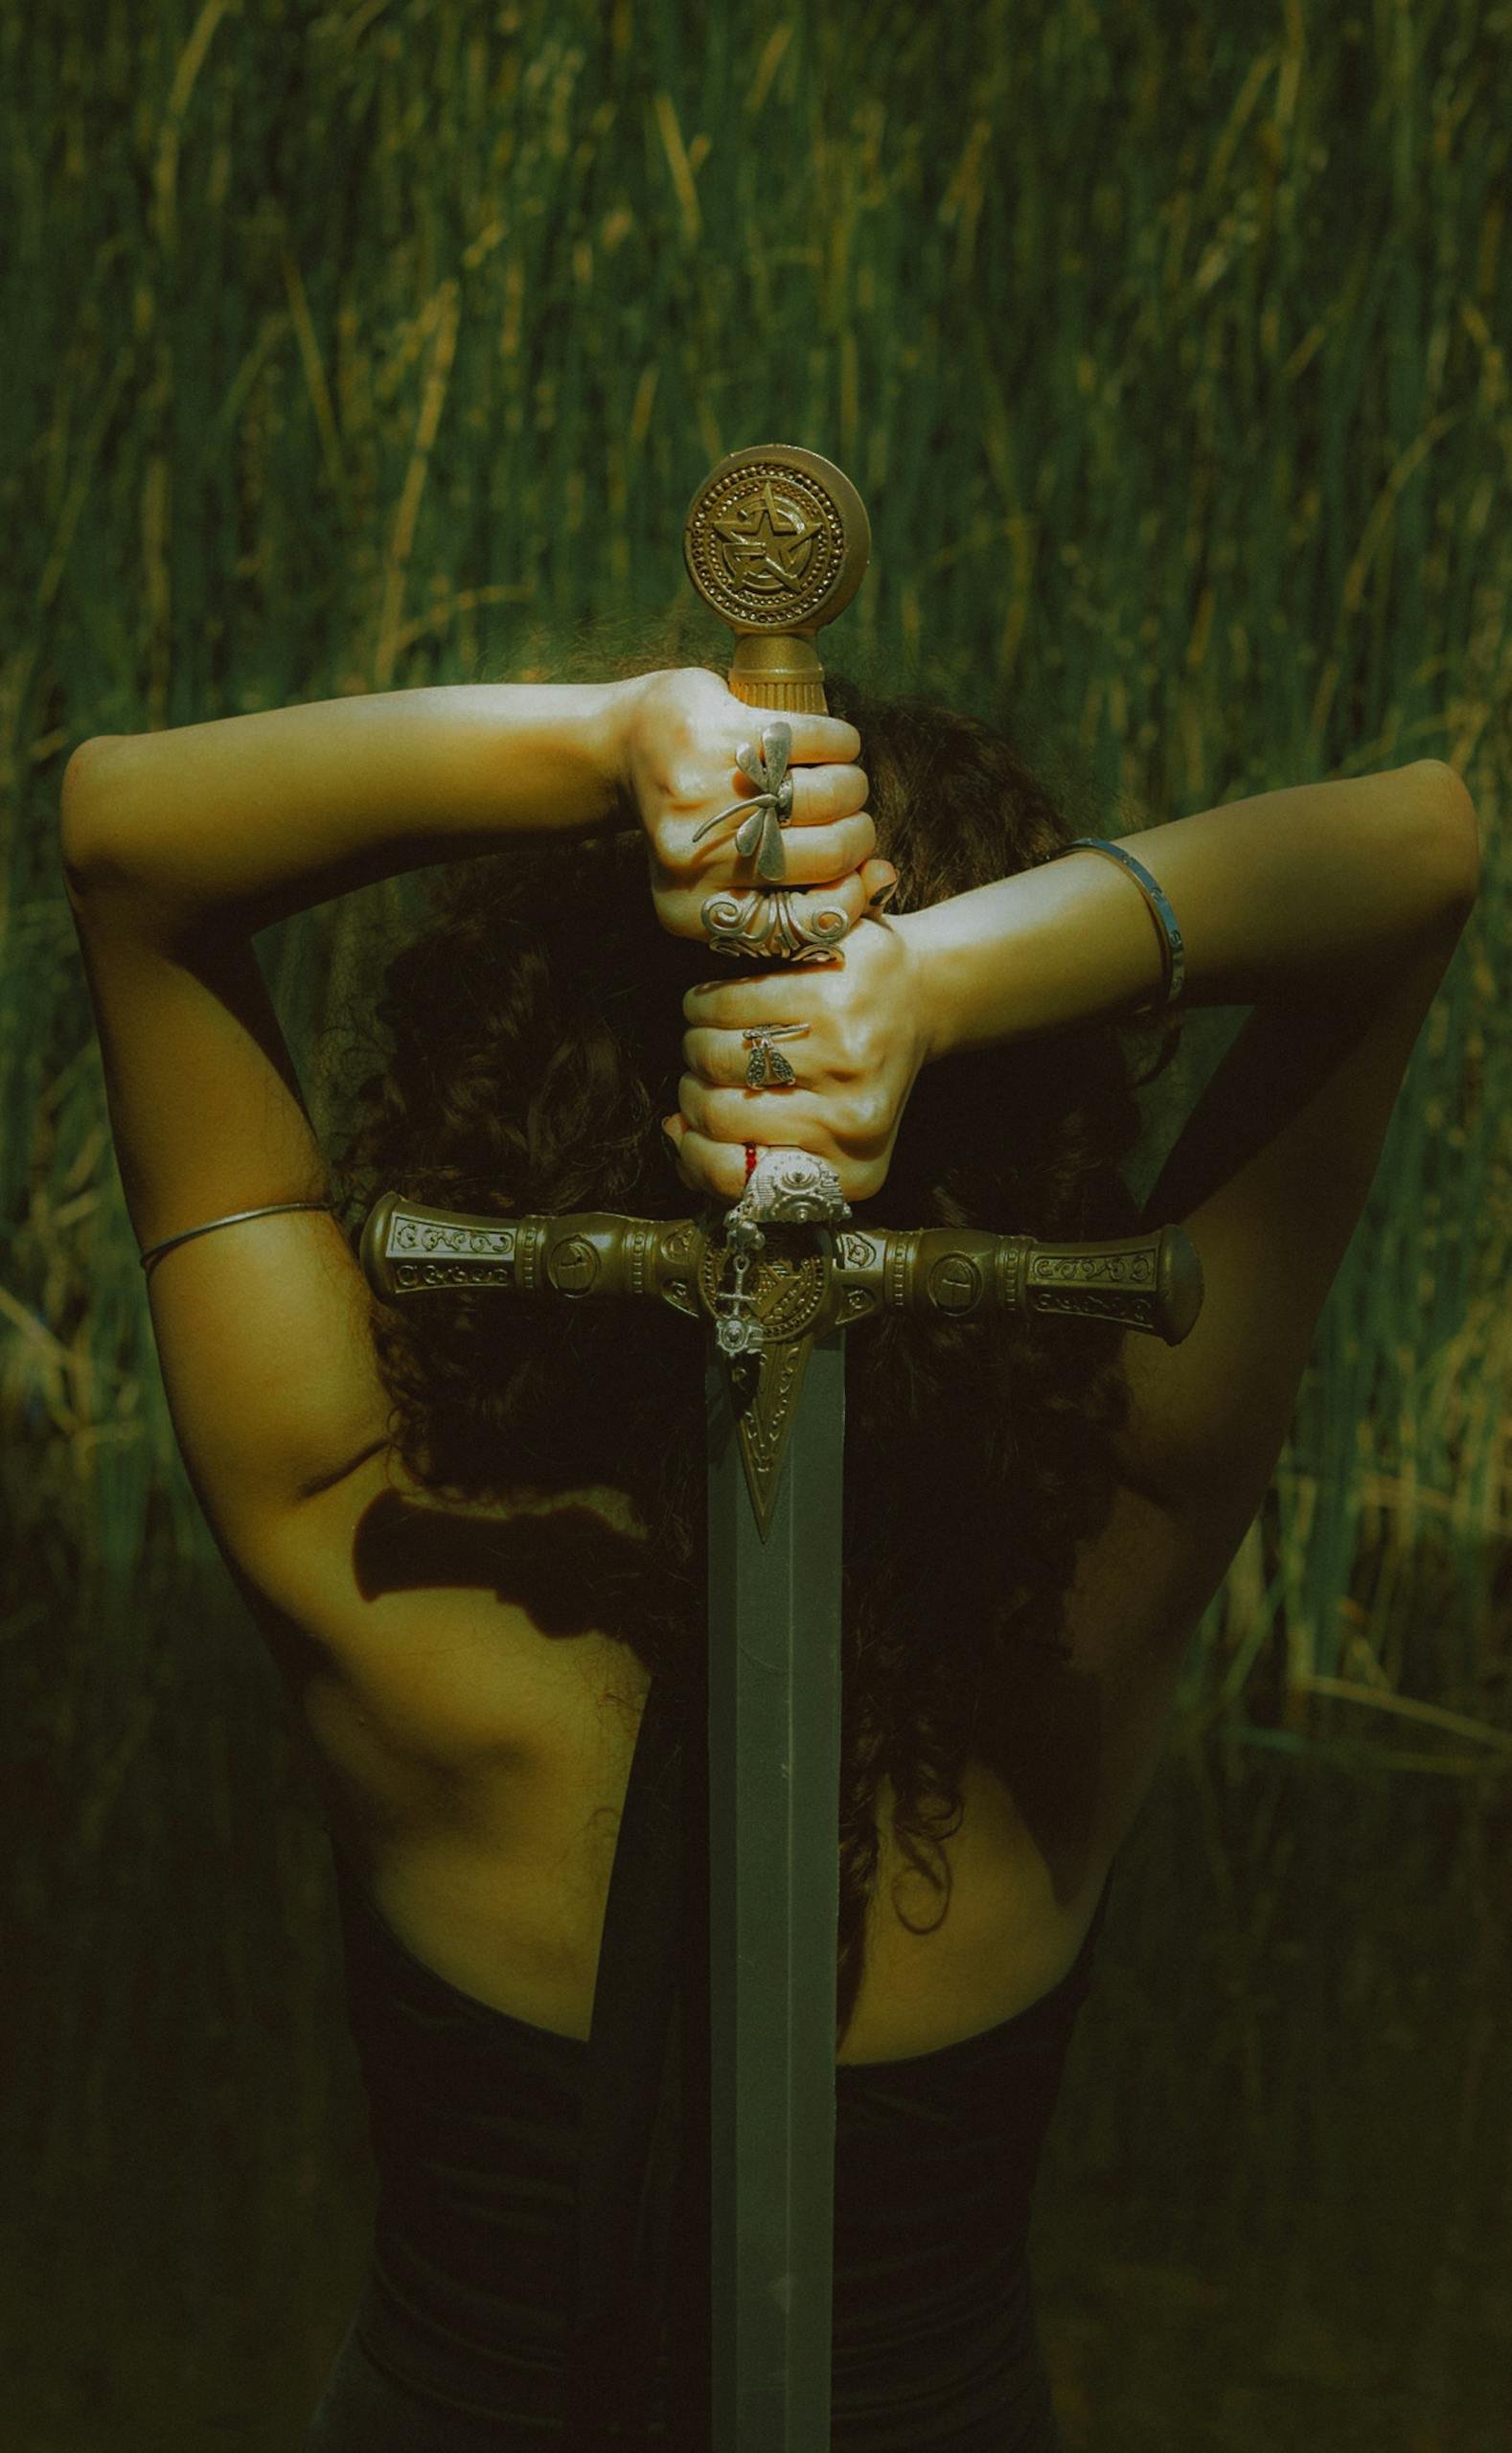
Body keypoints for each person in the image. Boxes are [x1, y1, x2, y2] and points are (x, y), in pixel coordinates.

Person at [59, 661, 1479, 2448]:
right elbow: (1416, 852)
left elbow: (123, 835)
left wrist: (612, 751)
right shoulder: (1097, 1572)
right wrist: (936, 990)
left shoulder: (359, 1527)